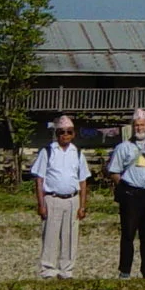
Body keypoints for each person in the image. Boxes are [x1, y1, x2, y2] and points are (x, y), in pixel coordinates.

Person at [106, 108, 145, 279]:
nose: (140, 128)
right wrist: (124, 188)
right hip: (131, 194)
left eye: (142, 125)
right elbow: (114, 171)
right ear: (132, 127)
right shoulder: (123, 147)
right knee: (128, 234)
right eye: (137, 125)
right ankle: (125, 270)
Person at [29, 115, 90, 279]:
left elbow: (83, 181)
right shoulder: (47, 151)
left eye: (68, 132)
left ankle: (67, 270)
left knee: (70, 236)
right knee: (50, 235)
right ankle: (48, 270)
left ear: (73, 134)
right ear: (57, 133)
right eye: (62, 132)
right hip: (52, 198)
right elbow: (39, 179)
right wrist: (41, 204)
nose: (65, 135)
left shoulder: (77, 153)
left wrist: (82, 206)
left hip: (72, 199)